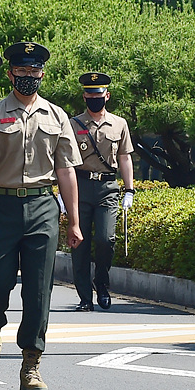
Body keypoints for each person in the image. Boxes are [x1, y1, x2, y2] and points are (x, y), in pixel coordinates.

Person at [0, 42, 83, 390]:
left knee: (38, 291)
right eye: (21, 71)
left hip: (42, 208)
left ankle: (31, 363)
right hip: (2, 208)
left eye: (34, 72)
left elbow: (66, 170)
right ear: (10, 74)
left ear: (42, 74)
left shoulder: (57, 115)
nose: (28, 77)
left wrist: (74, 221)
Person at [69, 71, 135, 311]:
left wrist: (129, 190)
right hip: (80, 186)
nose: (93, 98)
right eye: (89, 94)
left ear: (107, 95)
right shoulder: (73, 124)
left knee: (105, 239)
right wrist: (61, 193)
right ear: (84, 96)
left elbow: (125, 157)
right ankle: (85, 297)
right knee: (79, 244)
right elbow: (64, 161)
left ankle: (102, 283)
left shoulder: (119, 124)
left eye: (98, 94)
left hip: (108, 187)